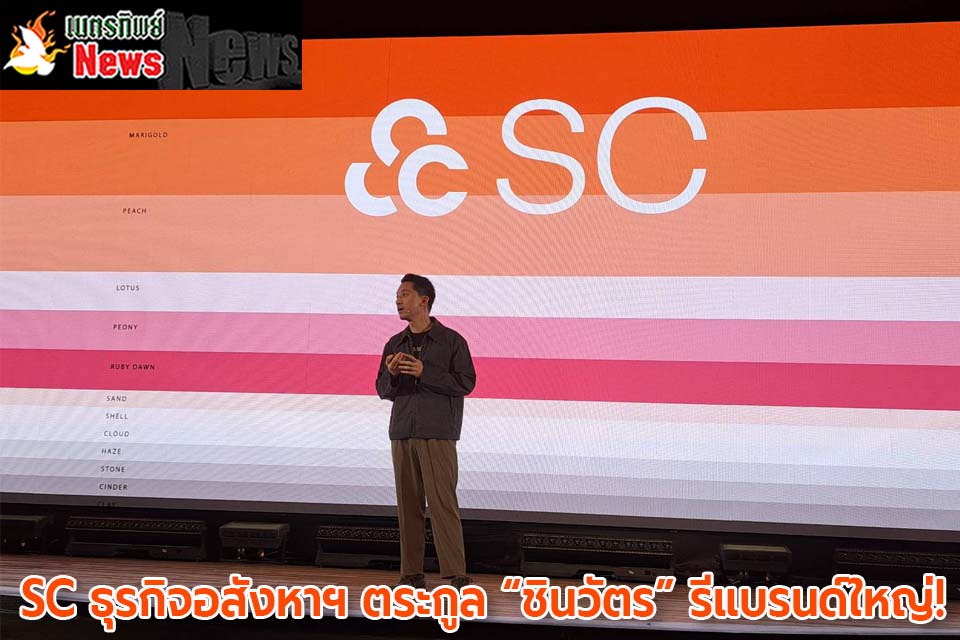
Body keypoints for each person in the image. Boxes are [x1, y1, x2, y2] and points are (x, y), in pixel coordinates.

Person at [375, 274, 477, 590]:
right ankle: (411, 574)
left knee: (442, 502)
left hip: (438, 431)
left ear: (424, 301)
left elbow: (466, 383)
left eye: (404, 294)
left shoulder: (451, 341)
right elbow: (382, 389)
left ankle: (456, 574)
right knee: (408, 505)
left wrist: (425, 372)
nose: (398, 300)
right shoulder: (395, 343)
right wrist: (392, 375)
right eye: (397, 295)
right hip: (402, 430)